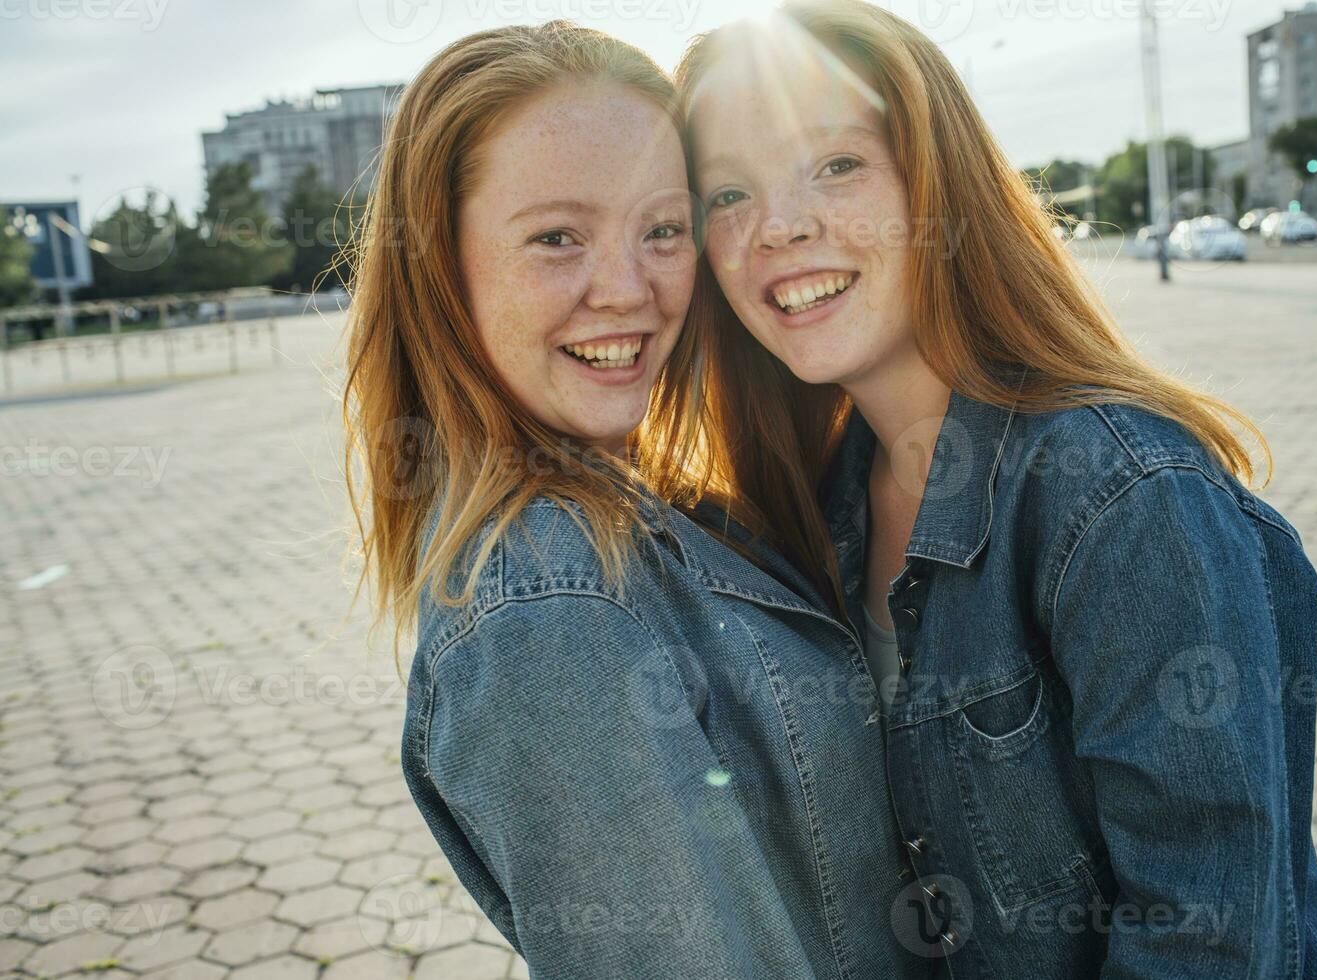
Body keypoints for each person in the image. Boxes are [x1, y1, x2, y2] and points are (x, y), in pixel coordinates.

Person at [676, 2, 1317, 976]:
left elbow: (1207, 940)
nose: (777, 226)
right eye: (728, 193)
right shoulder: (821, 501)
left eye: (834, 165)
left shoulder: (1123, 498)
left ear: (935, 186)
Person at [343, 21, 936, 980]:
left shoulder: (650, 513)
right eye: (556, 237)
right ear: (437, 265)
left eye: (662, 230)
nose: (627, 289)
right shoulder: (550, 611)